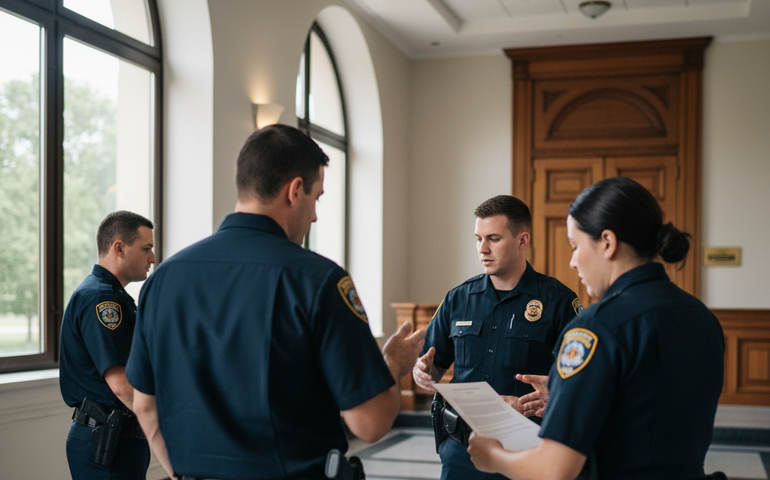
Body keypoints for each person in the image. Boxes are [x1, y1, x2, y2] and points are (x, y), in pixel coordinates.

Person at [125, 124, 426, 480]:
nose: (314, 215)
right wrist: (390, 363)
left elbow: (145, 405)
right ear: (295, 190)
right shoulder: (317, 280)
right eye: (317, 198)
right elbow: (370, 423)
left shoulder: (164, 279)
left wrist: (181, 474)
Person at [467, 176, 725, 480]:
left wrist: (493, 456)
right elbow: (650, 405)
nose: (573, 262)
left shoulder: (594, 328)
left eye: (575, 246)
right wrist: (568, 395)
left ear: (607, 243)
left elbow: (554, 470)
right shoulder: (701, 316)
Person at [413, 195, 581, 480]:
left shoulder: (559, 301)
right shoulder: (458, 298)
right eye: (478, 239)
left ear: (522, 240)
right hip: (463, 448)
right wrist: (423, 372)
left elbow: (580, 379)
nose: (483, 249)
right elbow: (433, 363)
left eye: (493, 238)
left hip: (529, 449)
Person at [59, 210, 156, 479]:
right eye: (146, 248)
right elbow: (122, 385)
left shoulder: (112, 296)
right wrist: (166, 424)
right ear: (119, 248)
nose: (153, 257)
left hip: (117, 437)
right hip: (107, 441)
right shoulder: (102, 301)